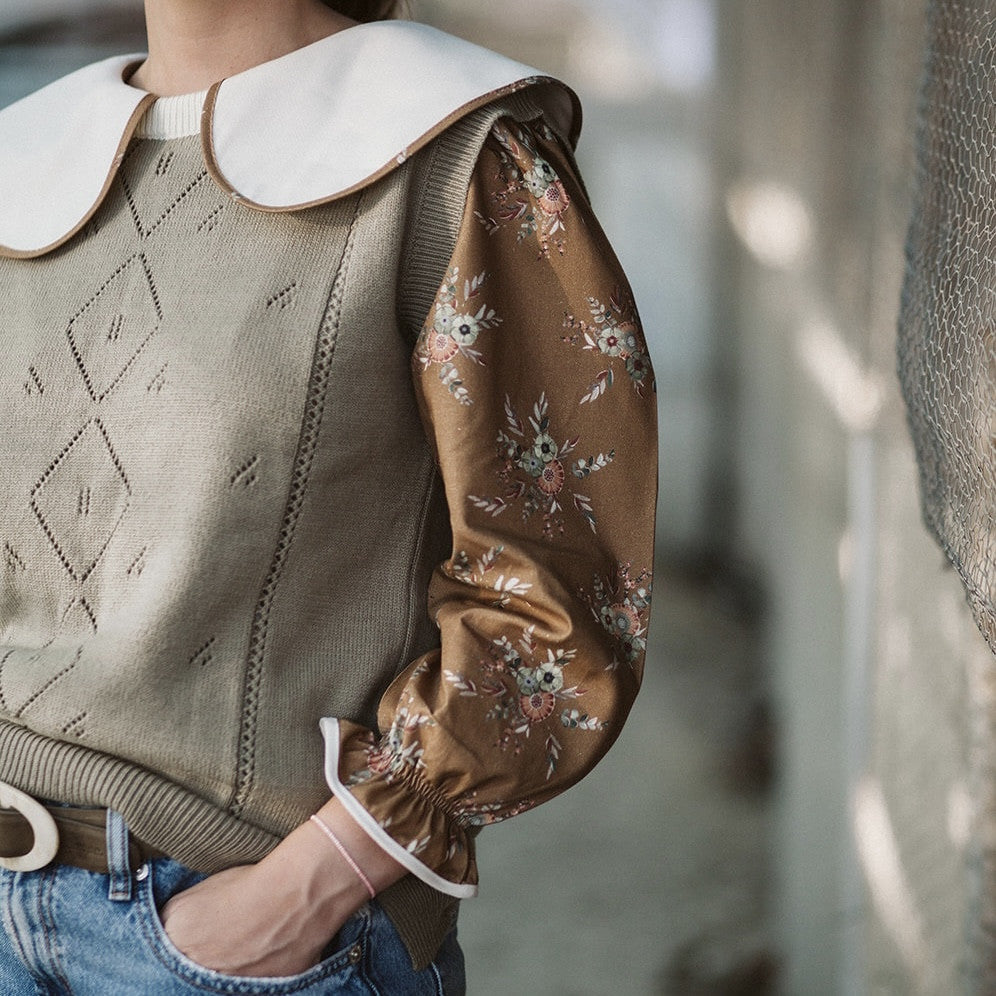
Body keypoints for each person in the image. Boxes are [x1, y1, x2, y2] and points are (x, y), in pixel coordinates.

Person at [0, 0, 657, 992]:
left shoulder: (457, 151)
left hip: (233, 925)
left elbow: (560, 591)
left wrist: (315, 886)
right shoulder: (25, 155)